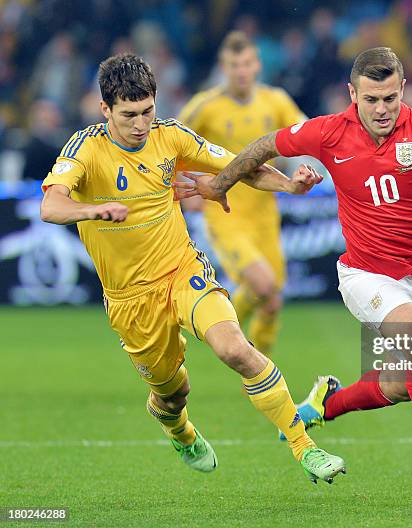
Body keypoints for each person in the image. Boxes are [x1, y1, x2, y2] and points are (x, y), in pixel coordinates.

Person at [173, 47, 412, 448]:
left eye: (390, 98)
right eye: (371, 99)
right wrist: (219, 184)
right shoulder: (328, 132)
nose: (382, 110)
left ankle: (326, 404)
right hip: (366, 275)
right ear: (352, 94)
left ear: (403, 90)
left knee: (402, 384)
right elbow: (264, 145)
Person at [39, 53, 345, 484]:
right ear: (104, 109)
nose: (141, 124)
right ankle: (179, 430)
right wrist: (95, 209)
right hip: (130, 300)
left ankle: (304, 448)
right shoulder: (85, 148)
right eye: (129, 115)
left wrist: (289, 184)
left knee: (234, 348)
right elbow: (50, 205)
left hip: (181, 269)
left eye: (148, 111)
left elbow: (239, 167)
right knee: (172, 393)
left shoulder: (171, 136)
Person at [178, 31, 306, 357]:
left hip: (265, 214)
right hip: (225, 213)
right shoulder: (204, 106)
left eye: (247, 63)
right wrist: (184, 187)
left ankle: (261, 365)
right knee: (263, 285)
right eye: (235, 65)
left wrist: (304, 167)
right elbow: (170, 144)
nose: (241, 71)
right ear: (224, 66)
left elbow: (305, 134)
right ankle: (219, 329)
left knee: (272, 300)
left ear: (257, 65)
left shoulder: (275, 101)